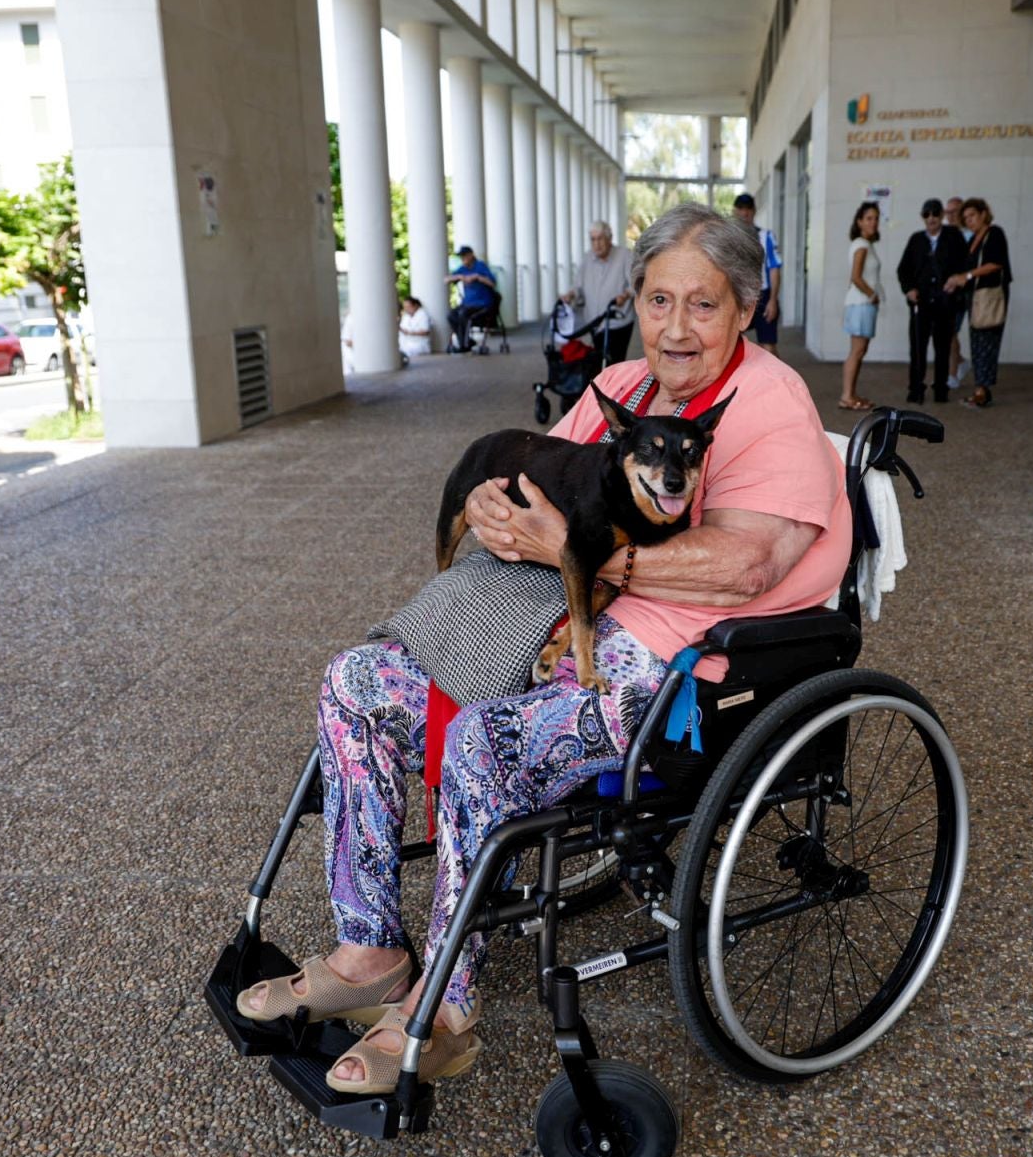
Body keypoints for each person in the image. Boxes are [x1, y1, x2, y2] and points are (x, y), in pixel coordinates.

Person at [235, 203, 852, 1095]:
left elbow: (750, 562)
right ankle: (368, 947)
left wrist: (591, 552)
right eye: (657, 300)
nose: (676, 328)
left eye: (704, 305)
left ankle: (446, 1011)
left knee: (487, 741)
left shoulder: (768, 405)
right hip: (542, 627)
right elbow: (533, 486)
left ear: (746, 309)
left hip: (682, 666)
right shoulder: (630, 388)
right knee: (357, 682)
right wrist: (496, 512)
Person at [895, 197, 969, 405]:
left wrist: (956, 282)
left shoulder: (953, 236)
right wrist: (909, 289)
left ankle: (941, 390)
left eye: (936, 213)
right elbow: (903, 270)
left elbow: (965, 264)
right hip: (921, 304)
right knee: (917, 348)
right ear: (922, 217)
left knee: (943, 348)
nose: (932, 218)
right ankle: (916, 389)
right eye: (927, 214)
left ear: (942, 216)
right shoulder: (916, 239)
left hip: (945, 303)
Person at [949, 198, 1012, 409]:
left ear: (984, 213)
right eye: (966, 218)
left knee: (987, 341)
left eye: (972, 215)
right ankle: (980, 388)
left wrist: (966, 276)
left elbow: (995, 263)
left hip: (989, 296)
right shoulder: (974, 238)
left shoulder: (994, 233)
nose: (970, 221)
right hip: (975, 297)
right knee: (977, 342)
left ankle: (983, 390)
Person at [561, 220, 635, 365]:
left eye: (600, 238)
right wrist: (571, 294)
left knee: (615, 364)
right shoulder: (587, 258)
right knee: (598, 362)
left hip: (618, 322)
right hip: (595, 323)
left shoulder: (625, 255)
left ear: (609, 238)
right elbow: (578, 286)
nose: (597, 244)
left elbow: (636, 283)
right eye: (593, 239)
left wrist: (625, 295)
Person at [838, 201, 883, 412]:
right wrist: (872, 295)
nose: (873, 222)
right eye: (868, 218)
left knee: (859, 350)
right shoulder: (862, 245)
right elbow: (855, 277)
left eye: (875, 218)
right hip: (861, 305)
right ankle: (847, 396)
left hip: (861, 305)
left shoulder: (865, 244)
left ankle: (851, 393)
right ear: (859, 222)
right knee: (856, 351)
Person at [732, 192, 783, 352]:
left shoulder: (766, 236)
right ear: (735, 211)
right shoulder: (729, 237)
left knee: (768, 345)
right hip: (738, 295)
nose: (745, 213)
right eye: (741, 208)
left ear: (754, 211)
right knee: (730, 344)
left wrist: (773, 300)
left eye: (748, 208)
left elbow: (774, 268)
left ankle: (777, 377)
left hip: (763, 295)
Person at [445, 247, 500, 352]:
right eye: (461, 256)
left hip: (482, 304)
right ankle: (467, 341)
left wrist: (478, 277)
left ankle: (464, 346)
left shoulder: (480, 266)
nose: (462, 258)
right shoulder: (463, 269)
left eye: (464, 255)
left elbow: (492, 283)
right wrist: (460, 277)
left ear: (471, 255)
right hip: (467, 303)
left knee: (463, 314)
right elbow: (446, 279)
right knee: (451, 315)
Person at [943, 197, 970, 389]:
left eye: (955, 211)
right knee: (949, 333)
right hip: (947, 292)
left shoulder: (969, 235)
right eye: (948, 212)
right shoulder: (944, 235)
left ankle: (952, 374)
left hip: (964, 293)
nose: (950, 216)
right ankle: (958, 363)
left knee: (950, 332)